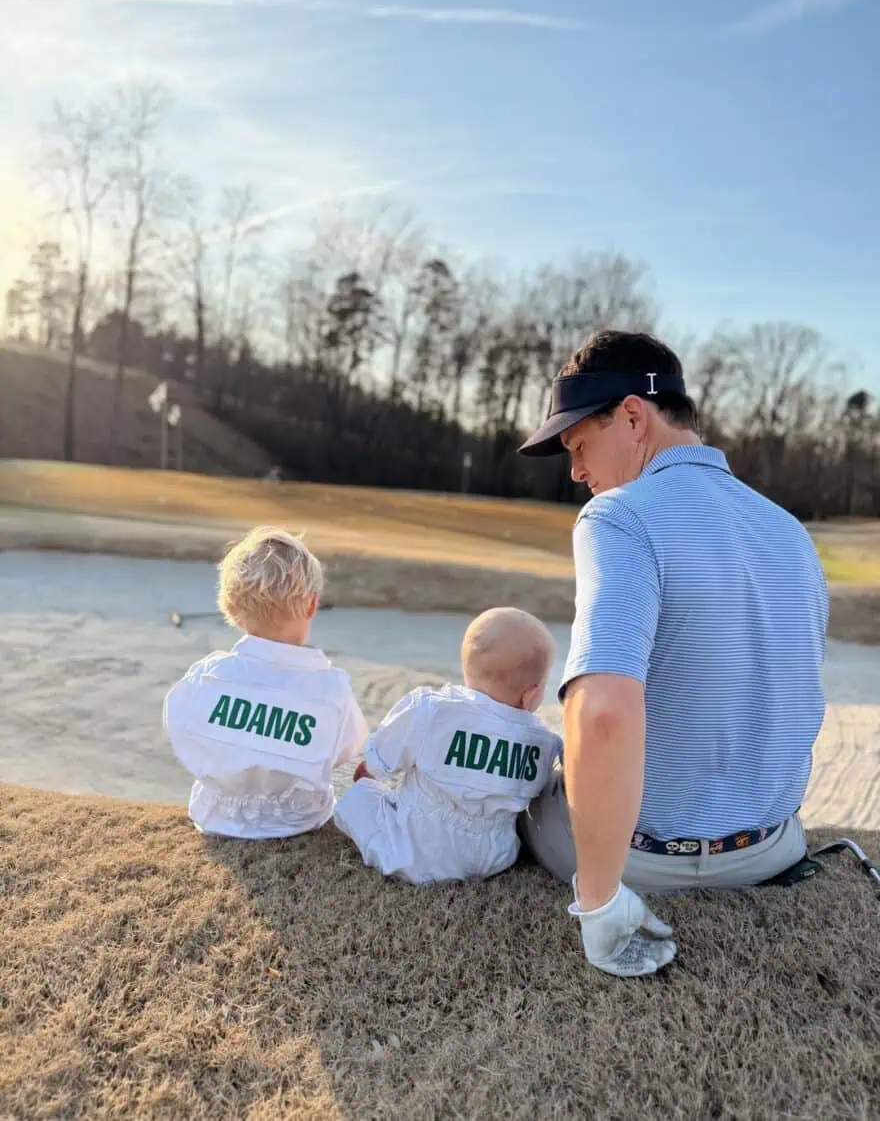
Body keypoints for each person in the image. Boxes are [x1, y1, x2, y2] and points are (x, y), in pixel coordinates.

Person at [517, 330, 829, 979]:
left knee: (528, 786)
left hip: (644, 859)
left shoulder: (618, 516)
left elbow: (602, 715)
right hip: (770, 849)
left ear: (633, 416)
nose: (576, 471)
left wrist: (600, 900)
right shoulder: (789, 529)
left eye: (579, 445)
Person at [163, 526, 368, 838]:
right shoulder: (330, 689)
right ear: (311, 605)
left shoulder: (208, 675)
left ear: (230, 606)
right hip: (300, 818)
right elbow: (349, 746)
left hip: (217, 813)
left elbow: (181, 726)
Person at [333, 607, 562, 884]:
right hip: (493, 857)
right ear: (532, 694)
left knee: (357, 800)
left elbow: (379, 760)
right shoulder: (544, 742)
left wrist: (368, 775)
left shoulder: (432, 709)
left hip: (415, 851)